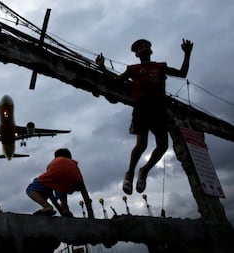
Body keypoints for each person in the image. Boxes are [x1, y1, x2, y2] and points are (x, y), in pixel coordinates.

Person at [96, 38, 193, 195]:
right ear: (136, 54)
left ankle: (144, 170)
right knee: (141, 145)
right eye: (140, 47)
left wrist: (187, 54)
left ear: (151, 50)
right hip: (142, 108)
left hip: (159, 109)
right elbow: (116, 81)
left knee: (163, 145)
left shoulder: (160, 66)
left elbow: (182, 73)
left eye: (146, 46)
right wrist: (102, 67)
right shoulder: (133, 69)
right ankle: (130, 173)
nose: (144, 47)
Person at [26, 148, 94, 218]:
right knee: (61, 186)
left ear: (56, 157)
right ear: (69, 157)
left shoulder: (54, 162)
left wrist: (49, 206)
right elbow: (84, 193)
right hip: (74, 181)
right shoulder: (74, 164)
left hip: (56, 177)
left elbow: (50, 193)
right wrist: (90, 214)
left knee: (30, 189)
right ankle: (65, 210)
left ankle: (46, 206)